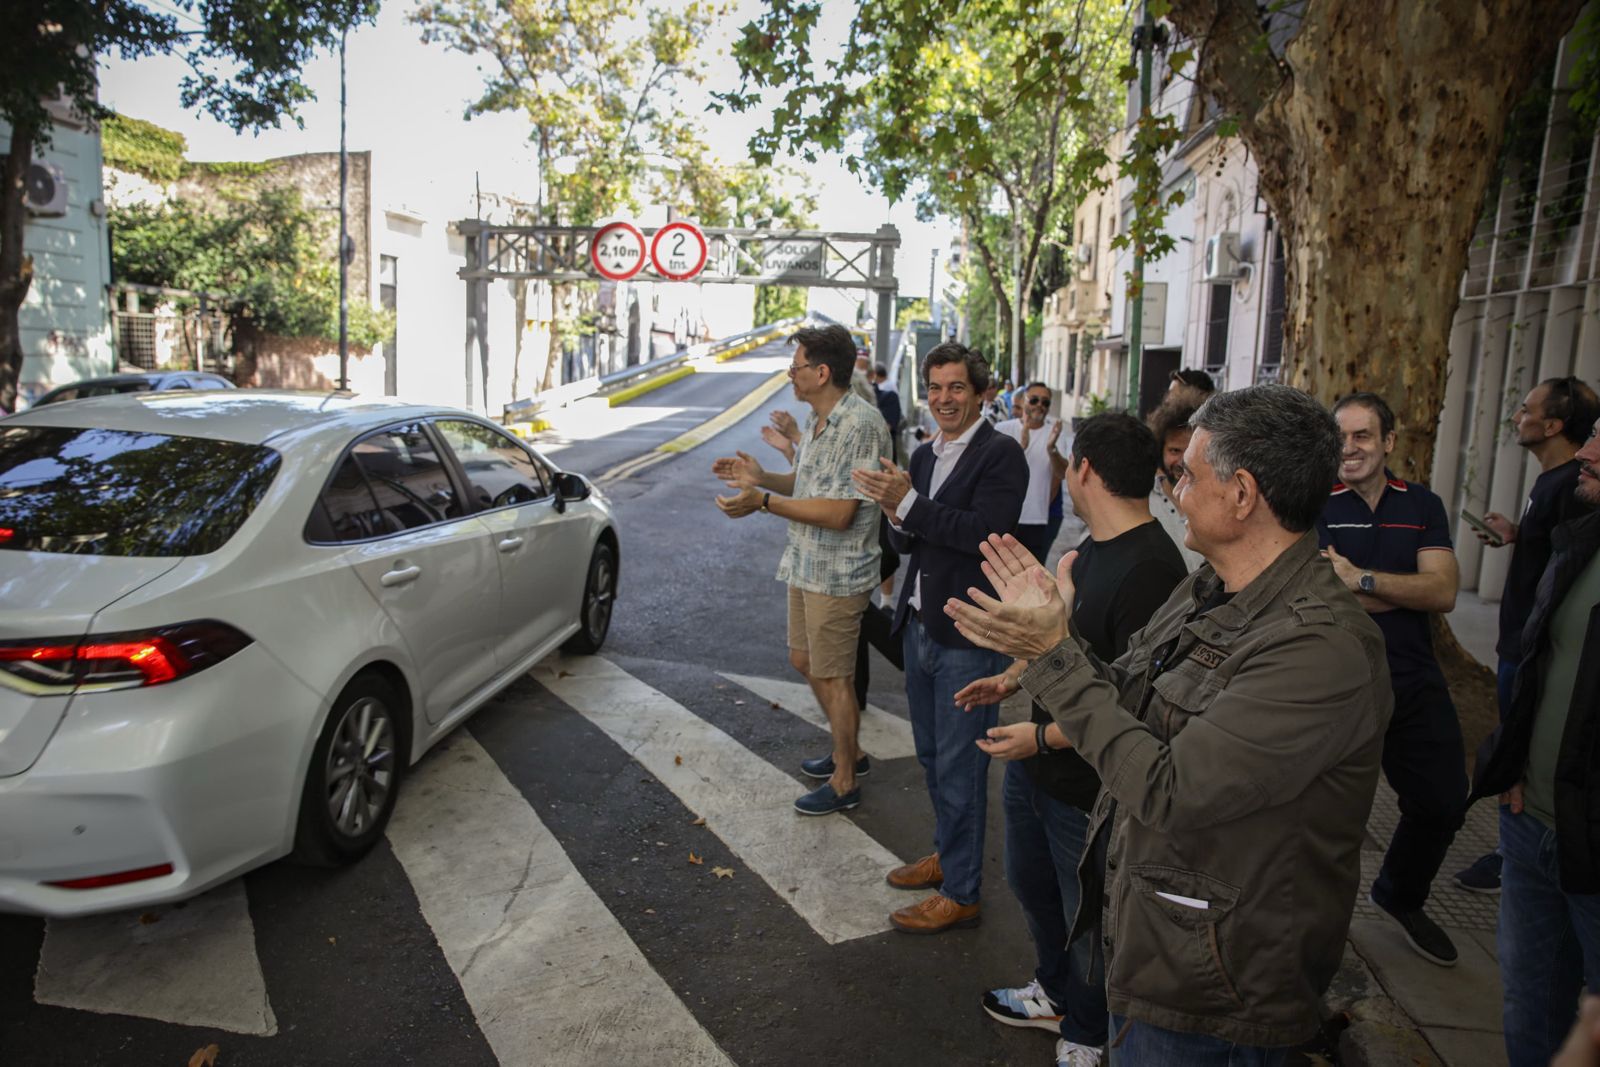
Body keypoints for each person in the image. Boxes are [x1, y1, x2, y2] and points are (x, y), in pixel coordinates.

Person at [946, 383, 1392, 1065]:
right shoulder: (1211, 585)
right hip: (1160, 947)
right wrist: (1048, 639)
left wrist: (1051, 654)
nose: (1171, 486)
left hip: (1218, 992)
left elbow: (1170, 791)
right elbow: (1127, 688)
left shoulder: (1320, 648)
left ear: (1241, 494)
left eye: (1186, 473)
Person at [957, 413, 1187, 1067]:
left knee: (1090, 920)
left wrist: (1040, 735)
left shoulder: (1150, 570)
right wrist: (1010, 677)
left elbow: (1133, 705)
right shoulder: (1088, 548)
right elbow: (1067, 652)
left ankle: (1087, 1032)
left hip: (1093, 790)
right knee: (1032, 886)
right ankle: (1055, 993)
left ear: (1083, 469)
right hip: (1042, 769)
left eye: (1065, 462)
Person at [852, 341, 1028, 934]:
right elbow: (909, 543)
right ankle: (948, 854)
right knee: (932, 759)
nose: (943, 398)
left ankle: (962, 891)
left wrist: (910, 504)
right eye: (934, 387)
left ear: (980, 392)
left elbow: (985, 532)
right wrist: (897, 508)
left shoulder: (1002, 455)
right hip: (920, 627)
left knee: (960, 769)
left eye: (955, 387)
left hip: (970, 637)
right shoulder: (925, 457)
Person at [712, 323, 890, 815]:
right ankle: (847, 748)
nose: (791, 376)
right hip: (806, 563)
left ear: (823, 371)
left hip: (838, 572)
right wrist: (760, 478)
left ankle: (845, 779)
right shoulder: (818, 419)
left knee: (834, 676)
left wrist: (762, 501)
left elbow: (839, 513)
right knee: (803, 660)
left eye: (796, 368)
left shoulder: (860, 424)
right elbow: (807, 485)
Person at [1317, 391, 1465, 967]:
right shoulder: (1313, 502)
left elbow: (1444, 592)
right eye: (1342, 438)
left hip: (1412, 677)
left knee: (1444, 801)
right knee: (1318, 817)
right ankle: (1307, 931)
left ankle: (1401, 895)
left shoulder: (1422, 504)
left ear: (1389, 443)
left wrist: (1363, 580)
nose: (1350, 449)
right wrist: (1401, 589)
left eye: (1362, 436)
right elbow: (1324, 599)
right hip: (1335, 683)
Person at [1471, 420, 1600, 1067]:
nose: (1586, 452)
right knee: (1532, 1009)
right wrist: (1513, 761)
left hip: (1593, 850)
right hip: (1530, 829)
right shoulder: (1578, 539)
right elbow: (1536, 660)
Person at [1456, 376, 1600, 894]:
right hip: (1517, 640)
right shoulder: (1554, 482)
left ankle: (1512, 852)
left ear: (1553, 424)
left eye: (1525, 409)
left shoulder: (1575, 488)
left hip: (1531, 648)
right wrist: (1517, 534)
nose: (1517, 417)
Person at [995, 382, 1068, 563]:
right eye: (1034, 400)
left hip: (1037, 519)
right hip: (1004, 516)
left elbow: (1062, 473)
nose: (1039, 406)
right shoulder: (1003, 429)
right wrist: (1021, 447)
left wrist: (1051, 448)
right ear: (1022, 400)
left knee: (1033, 575)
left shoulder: (1055, 433)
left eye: (1045, 402)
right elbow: (994, 472)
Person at [1145, 398, 1205, 571]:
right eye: (1174, 451)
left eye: (1190, 451)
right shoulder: (1143, 500)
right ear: (1160, 451)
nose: (1182, 461)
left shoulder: (1219, 502)